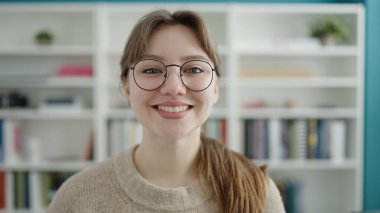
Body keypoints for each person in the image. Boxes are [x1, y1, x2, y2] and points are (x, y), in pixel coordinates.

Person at [47, 9, 285, 213]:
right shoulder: (77, 199)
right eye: (151, 70)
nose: (173, 88)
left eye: (193, 69)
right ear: (127, 87)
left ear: (215, 88)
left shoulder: (258, 193)